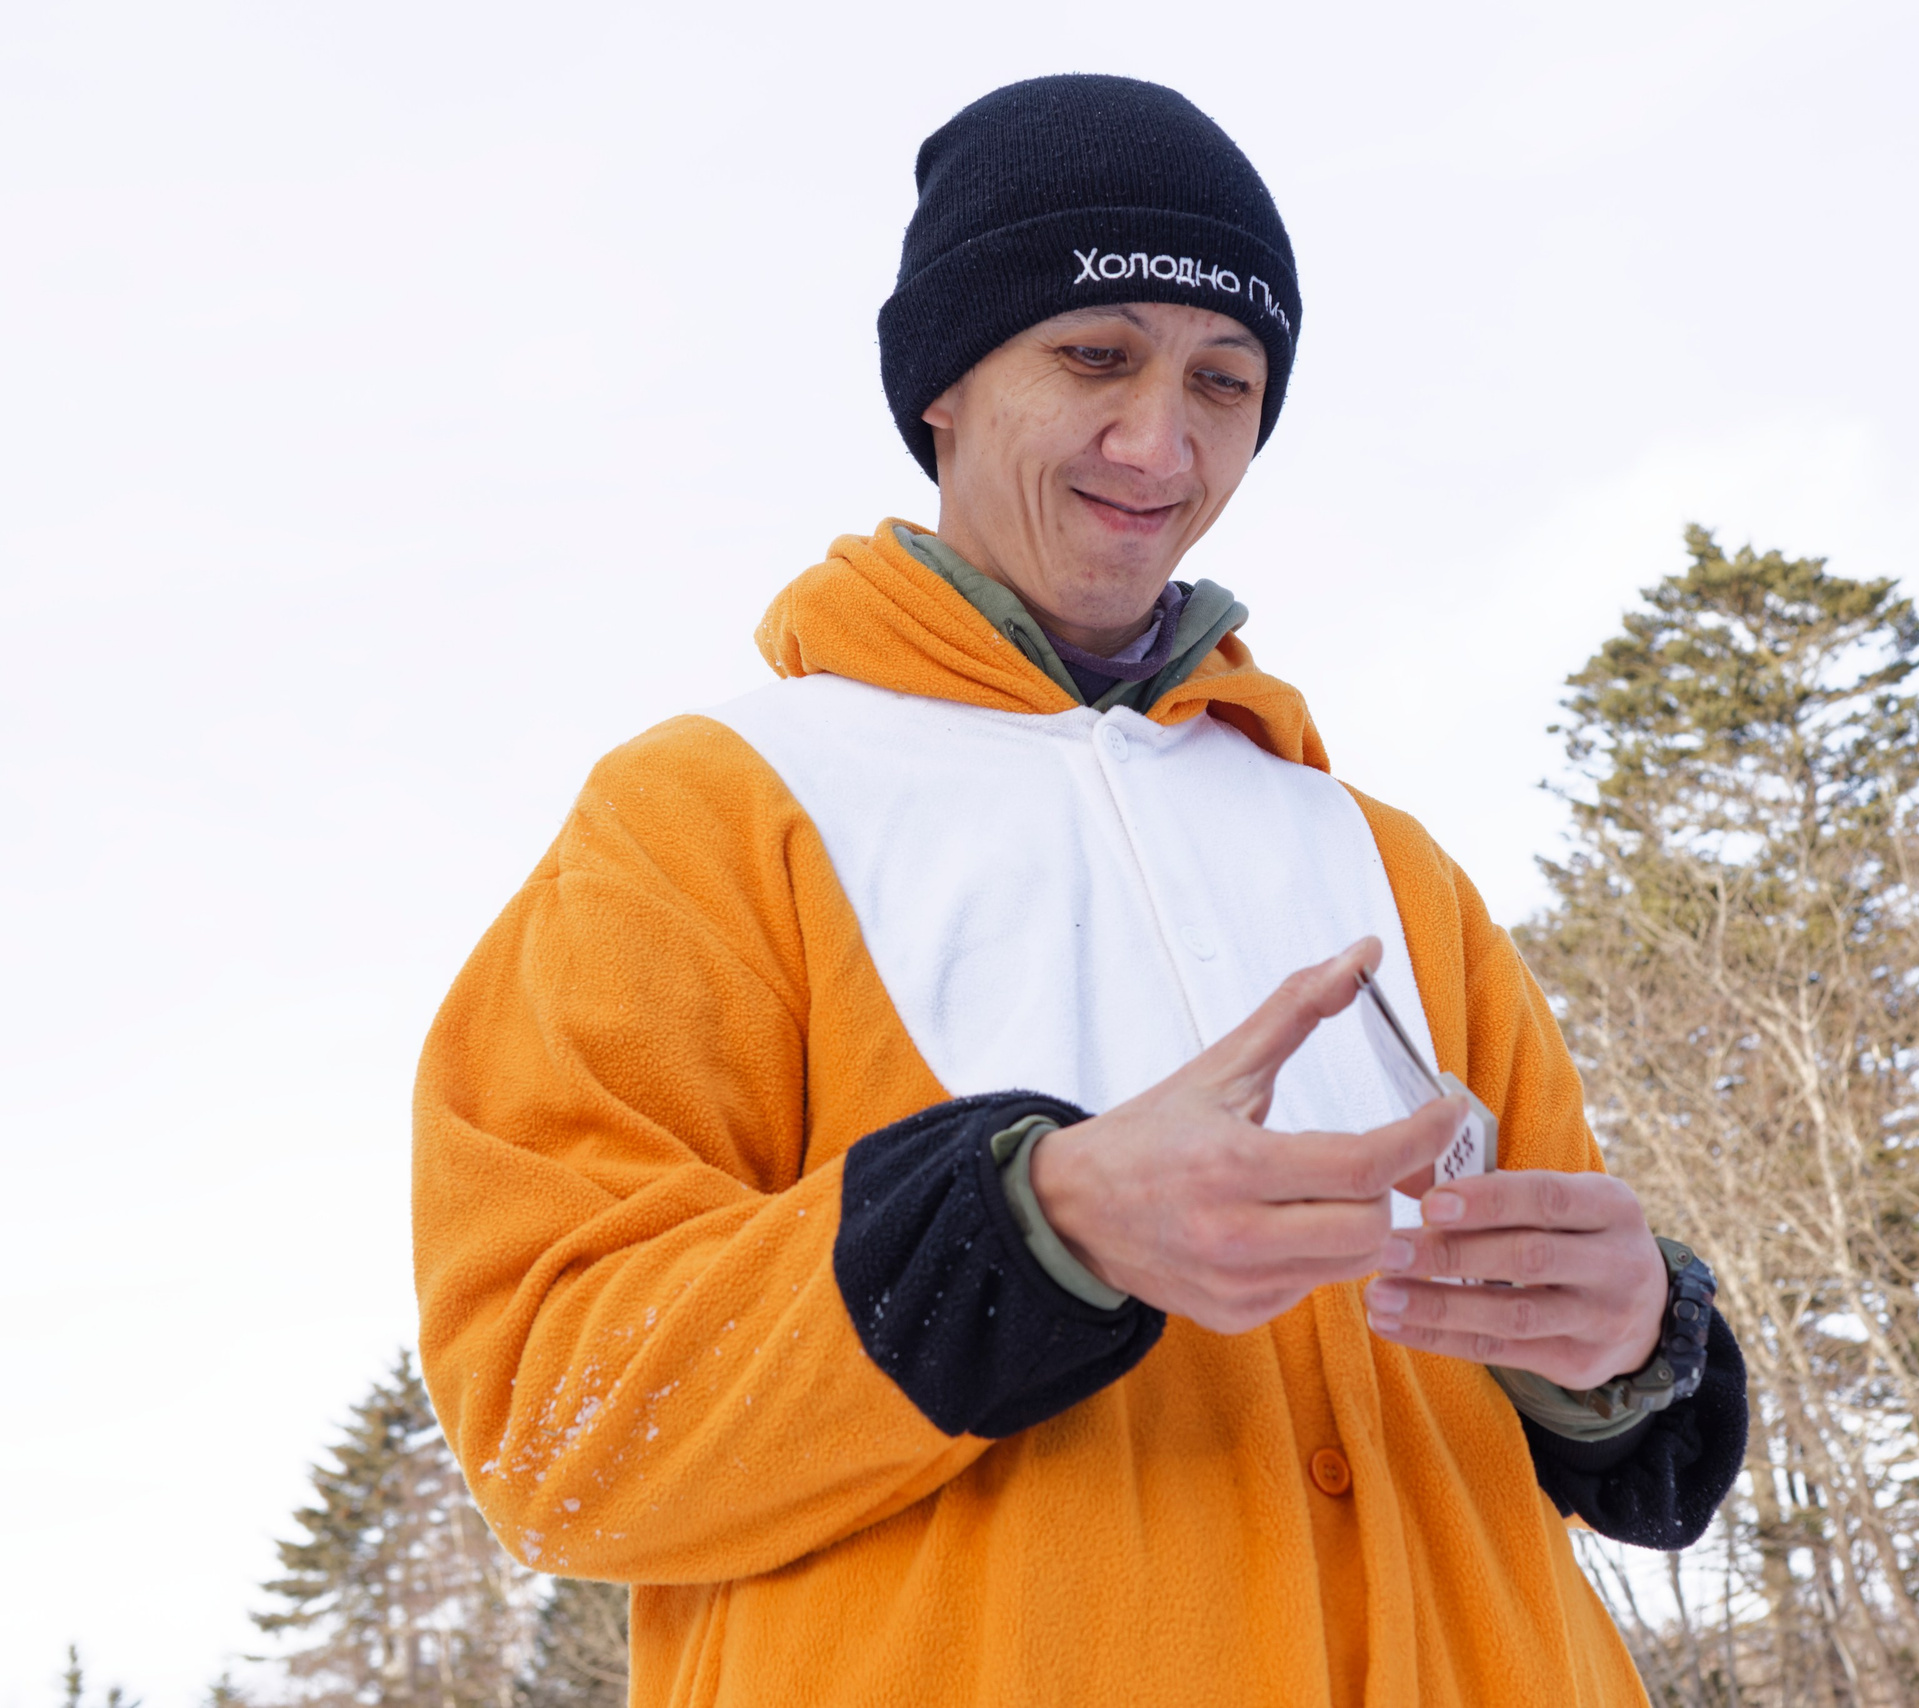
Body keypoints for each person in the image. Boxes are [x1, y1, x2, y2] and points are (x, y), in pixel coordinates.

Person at [413, 73, 1747, 1707]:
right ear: (946, 390)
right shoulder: (708, 816)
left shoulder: (1385, 863)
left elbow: (1584, 1381)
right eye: (1094, 356)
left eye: (1224, 378)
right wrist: (1033, 1225)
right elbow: (554, 1418)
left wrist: (1629, 1348)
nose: (1159, 442)